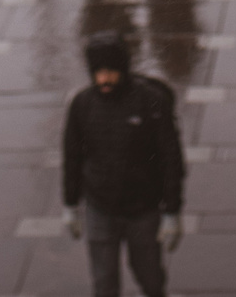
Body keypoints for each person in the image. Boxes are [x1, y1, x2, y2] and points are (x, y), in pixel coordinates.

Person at [61, 31, 183, 297]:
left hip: (143, 210)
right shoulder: (82, 105)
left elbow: (171, 159)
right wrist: (70, 204)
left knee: (150, 279)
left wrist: (171, 211)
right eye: (98, 72)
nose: (103, 79)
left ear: (122, 69)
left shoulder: (151, 101)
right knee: (104, 285)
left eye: (110, 71)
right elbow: (72, 157)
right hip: (100, 209)